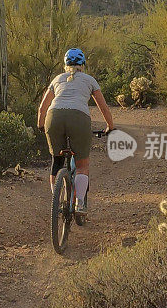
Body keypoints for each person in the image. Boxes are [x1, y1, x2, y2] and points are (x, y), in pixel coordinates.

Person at [37, 48, 115, 221]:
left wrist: (41, 125)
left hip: (54, 117)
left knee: (56, 160)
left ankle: (56, 202)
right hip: (79, 118)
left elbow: (43, 107)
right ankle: (80, 203)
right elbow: (103, 107)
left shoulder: (57, 79)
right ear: (82, 65)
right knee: (82, 165)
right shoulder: (89, 80)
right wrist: (110, 126)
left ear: (65, 65)